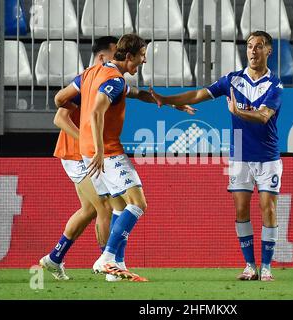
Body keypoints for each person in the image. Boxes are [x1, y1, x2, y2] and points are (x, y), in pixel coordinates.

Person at [150, 31, 283, 281]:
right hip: (240, 152)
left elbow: (264, 116)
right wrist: (167, 100)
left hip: (268, 155)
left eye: (259, 46)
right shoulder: (232, 80)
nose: (253, 51)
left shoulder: (274, 85)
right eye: (250, 46)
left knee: (269, 209)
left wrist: (238, 113)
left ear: (269, 51)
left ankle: (266, 267)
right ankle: (249, 266)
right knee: (241, 210)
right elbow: (198, 94)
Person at [79, 33, 195, 281]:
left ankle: (116, 267)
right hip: (106, 151)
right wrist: (100, 151)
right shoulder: (114, 80)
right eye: (141, 56)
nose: (143, 62)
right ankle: (107, 259)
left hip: (88, 148)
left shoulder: (99, 72)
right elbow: (96, 113)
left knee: (120, 206)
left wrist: (169, 103)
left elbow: (136, 94)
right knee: (138, 203)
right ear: (129, 55)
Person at [39, 36, 128, 281]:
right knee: (106, 207)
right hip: (75, 154)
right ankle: (109, 266)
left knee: (89, 209)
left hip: (83, 153)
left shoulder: (108, 81)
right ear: (102, 57)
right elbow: (59, 118)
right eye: (115, 54)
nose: (119, 58)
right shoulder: (88, 81)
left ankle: (54, 258)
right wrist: (86, 140)